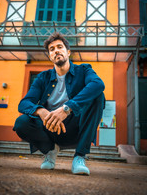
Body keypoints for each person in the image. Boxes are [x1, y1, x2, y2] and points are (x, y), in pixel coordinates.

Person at [13, 32, 105, 175]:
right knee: (21, 122)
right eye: (52, 49)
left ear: (68, 52)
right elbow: (24, 103)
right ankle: (50, 150)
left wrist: (67, 108)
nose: (56, 50)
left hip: (76, 127)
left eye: (60, 47)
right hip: (51, 129)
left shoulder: (84, 69)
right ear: (50, 56)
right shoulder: (43, 77)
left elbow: (98, 84)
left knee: (98, 95)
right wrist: (41, 111)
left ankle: (79, 156)